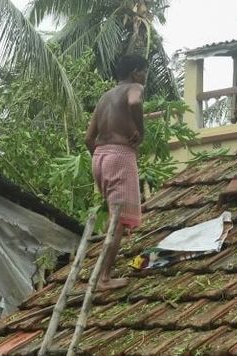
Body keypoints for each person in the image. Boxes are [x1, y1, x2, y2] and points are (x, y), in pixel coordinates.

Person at [86, 54, 148, 291]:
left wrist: (103, 157)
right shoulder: (134, 87)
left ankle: (103, 271)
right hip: (119, 157)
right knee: (118, 220)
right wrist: (140, 130)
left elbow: (88, 138)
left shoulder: (105, 97)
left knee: (115, 216)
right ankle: (104, 277)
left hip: (99, 157)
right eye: (143, 72)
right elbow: (134, 102)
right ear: (135, 72)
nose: (145, 77)